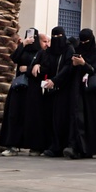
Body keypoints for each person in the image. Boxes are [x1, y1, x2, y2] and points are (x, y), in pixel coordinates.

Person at [64, 28, 96, 159]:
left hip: (91, 93)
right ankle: (75, 147)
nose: (84, 44)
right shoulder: (77, 51)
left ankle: (88, 148)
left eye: (86, 41)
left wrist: (84, 64)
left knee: (89, 119)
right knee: (77, 117)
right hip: (78, 90)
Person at [0, 28, 39, 156]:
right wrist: (23, 44)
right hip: (18, 88)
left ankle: (34, 146)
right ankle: (12, 145)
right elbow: (14, 58)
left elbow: (43, 66)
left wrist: (28, 69)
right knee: (14, 115)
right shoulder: (23, 50)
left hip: (32, 89)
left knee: (31, 116)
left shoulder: (39, 52)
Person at [37, 27, 75, 157]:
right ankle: (52, 145)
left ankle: (60, 146)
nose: (57, 39)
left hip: (64, 89)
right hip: (50, 89)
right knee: (50, 118)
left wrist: (56, 80)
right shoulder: (50, 51)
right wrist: (36, 64)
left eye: (59, 36)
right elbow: (45, 63)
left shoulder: (69, 49)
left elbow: (67, 67)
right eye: (54, 36)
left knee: (60, 119)